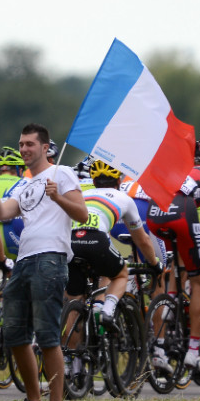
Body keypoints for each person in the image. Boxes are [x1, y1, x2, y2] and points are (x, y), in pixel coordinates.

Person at [0, 123, 87, 401]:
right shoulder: (24, 184)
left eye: (30, 144)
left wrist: (58, 197)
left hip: (50, 258)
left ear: (44, 147)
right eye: (21, 144)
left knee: (48, 334)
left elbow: (82, 213)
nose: (24, 149)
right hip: (24, 261)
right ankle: (33, 399)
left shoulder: (61, 173)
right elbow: (1, 213)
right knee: (14, 333)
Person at [65, 160, 161, 380]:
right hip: (96, 240)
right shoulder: (124, 199)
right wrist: (154, 263)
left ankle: (74, 363)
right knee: (120, 272)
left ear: (94, 180)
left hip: (71, 243)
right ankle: (107, 309)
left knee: (74, 301)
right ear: (119, 181)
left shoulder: (84, 195)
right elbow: (142, 240)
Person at [146, 137, 200, 377]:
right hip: (182, 214)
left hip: (155, 215)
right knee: (199, 281)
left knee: (177, 264)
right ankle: (193, 350)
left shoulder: (182, 169)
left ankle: (163, 334)